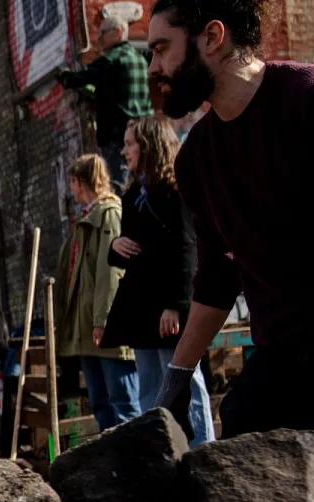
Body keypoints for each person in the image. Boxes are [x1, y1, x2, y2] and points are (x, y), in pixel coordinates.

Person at [148, 0, 314, 438]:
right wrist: (178, 375)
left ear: (213, 37)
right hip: (284, 355)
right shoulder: (196, 160)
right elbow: (218, 279)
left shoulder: (305, 98)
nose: (153, 67)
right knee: (242, 424)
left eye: (162, 48)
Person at [101, 117, 214, 445]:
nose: (123, 152)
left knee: (184, 383)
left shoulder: (176, 188)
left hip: (168, 309)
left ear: (149, 144)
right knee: (150, 386)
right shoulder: (134, 192)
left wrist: (176, 306)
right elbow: (134, 249)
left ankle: (202, 451)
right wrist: (115, 247)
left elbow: (187, 248)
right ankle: (162, 454)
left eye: (130, 143)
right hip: (141, 308)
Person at [56, 154, 139, 431]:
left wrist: (104, 320)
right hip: (88, 330)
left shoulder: (109, 215)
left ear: (80, 183)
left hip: (104, 328)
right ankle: (113, 465)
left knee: (123, 402)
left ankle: (135, 461)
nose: (72, 189)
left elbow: (111, 272)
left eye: (72, 182)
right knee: (100, 401)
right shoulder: (87, 218)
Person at [61, 17, 154, 188]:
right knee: (144, 183)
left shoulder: (110, 60)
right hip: (145, 134)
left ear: (117, 32)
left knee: (119, 185)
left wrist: (64, 76)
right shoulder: (139, 59)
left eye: (102, 33)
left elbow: (79, 78)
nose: (98, 38)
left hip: (117, 136)